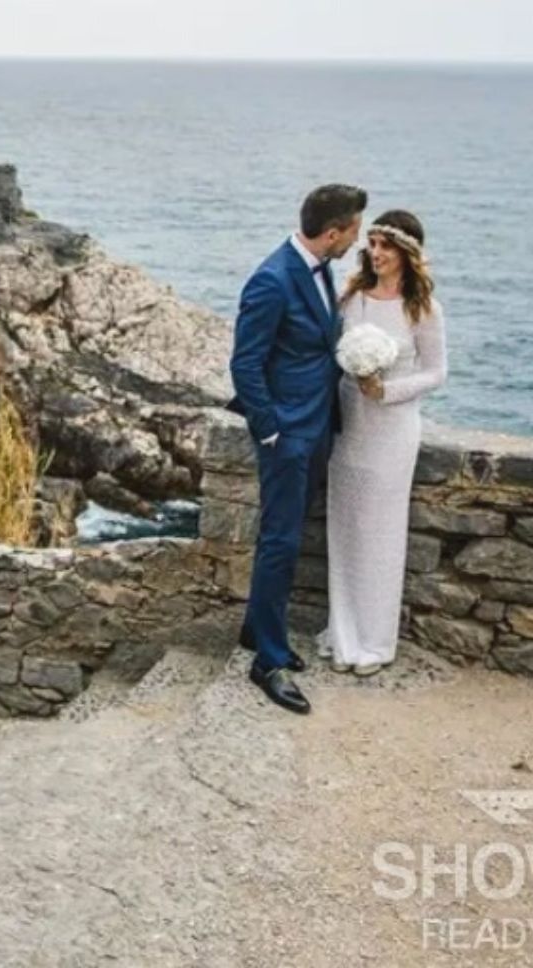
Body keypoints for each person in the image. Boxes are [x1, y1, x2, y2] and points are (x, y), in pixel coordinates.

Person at [227, 184, 367, 715]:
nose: (354, 240)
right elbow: (246, 364)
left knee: (284, 534)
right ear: (332, 233)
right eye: (352, 231)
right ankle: (268, 661)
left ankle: (255, 630)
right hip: (287, 433)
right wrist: (271, 431)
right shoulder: (272, 279)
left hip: (316, 425)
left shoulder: (317, 267)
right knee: (282, 540)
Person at [321, 210, 448, 675]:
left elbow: (437, 372)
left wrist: (387, 391)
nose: (376, 253)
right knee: (344, 529)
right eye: (372, 243)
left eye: (386, 246)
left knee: (380, 536)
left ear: (407, 253)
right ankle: (342, 633)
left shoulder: (423, 308)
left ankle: (374, 643)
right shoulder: (351, 297)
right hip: (348, 424)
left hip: (392, 430)